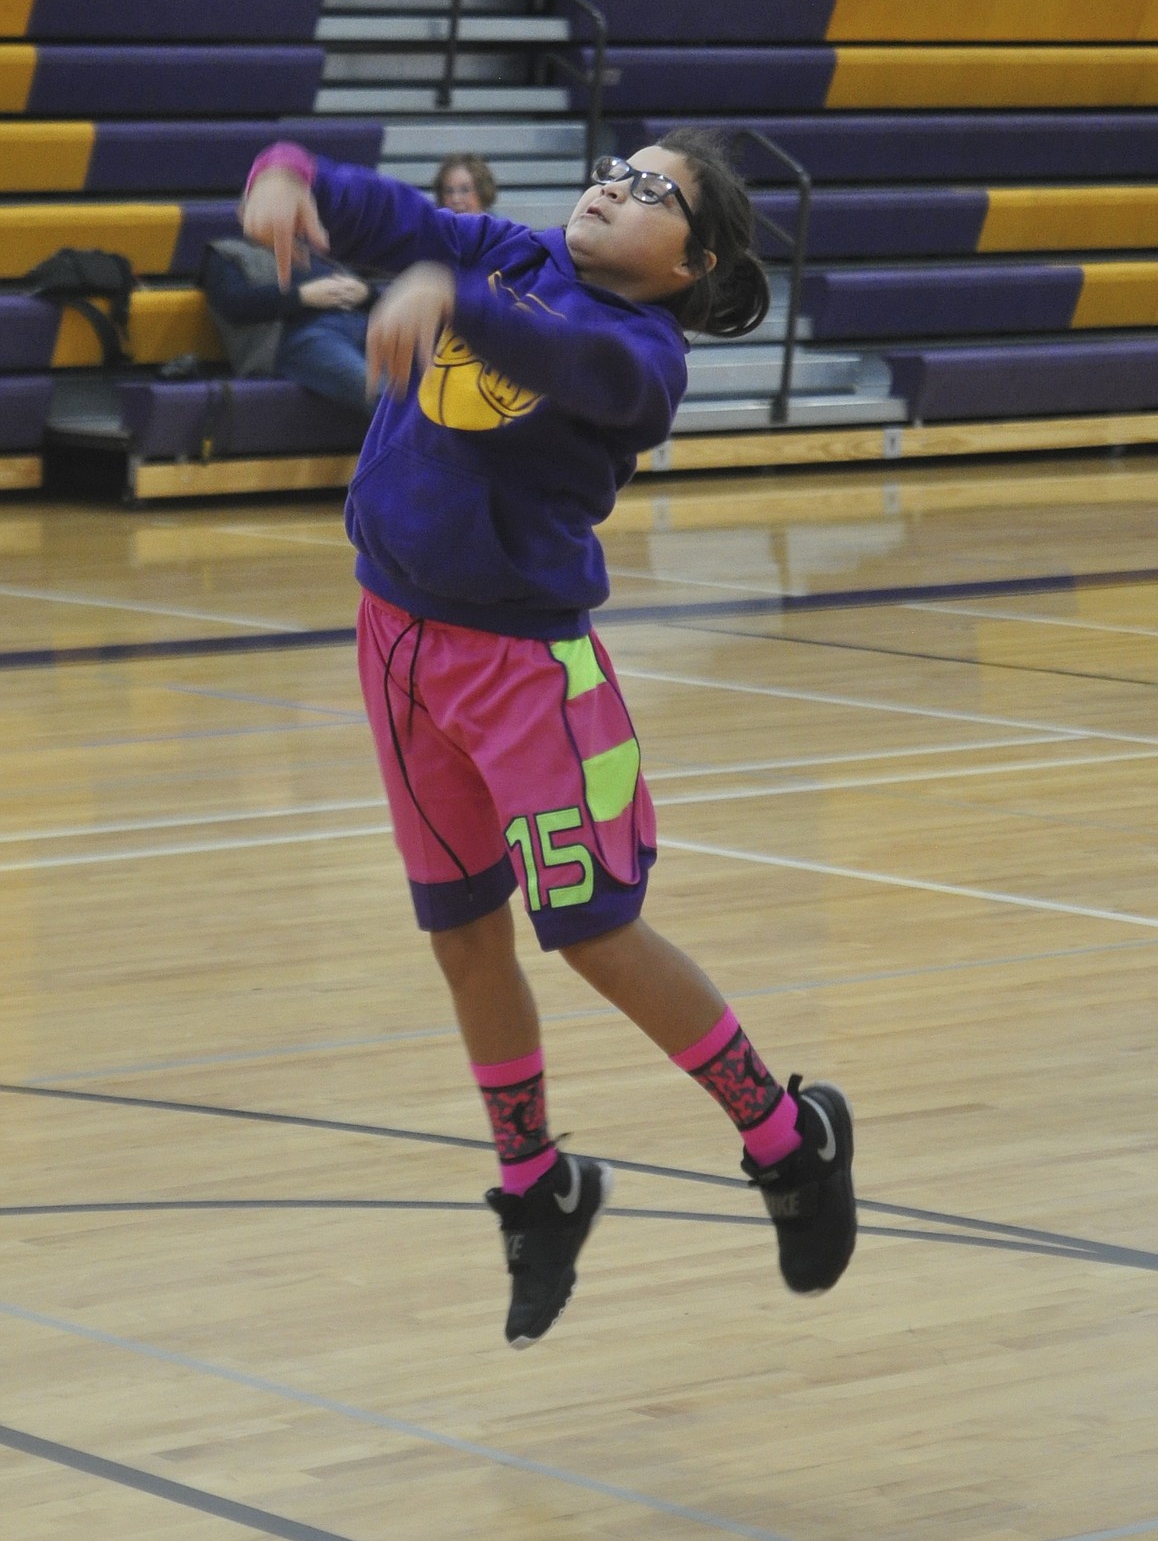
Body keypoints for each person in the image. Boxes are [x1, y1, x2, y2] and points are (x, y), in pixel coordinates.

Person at [241, 130, 856, 1347]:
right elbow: (390, 216)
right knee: (461, 934)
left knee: (591, 932)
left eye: (653, 192)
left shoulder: (644, 353)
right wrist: (295, 175)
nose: (616, 186)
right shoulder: (512, 250)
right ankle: (537, 1185)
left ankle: (787, 1135)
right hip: (396, 641)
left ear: (697, 259)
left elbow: (554, 351)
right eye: (619, 167)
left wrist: (450, 298)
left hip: (527, 669)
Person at [202, 237, 376, 417]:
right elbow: (233, 304)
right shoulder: (227, 252)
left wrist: (367, 292)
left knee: (404, 385)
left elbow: (379, 301)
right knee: (377, 389)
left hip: (365, 324)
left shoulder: (319, 249)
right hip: (303, 335)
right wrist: (301, 296)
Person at [432, 152, 498, 214]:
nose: (455, 199)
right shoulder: (432, 225)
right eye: (449, 191)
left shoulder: (499, 226)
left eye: (465, 190)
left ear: (483, 192)